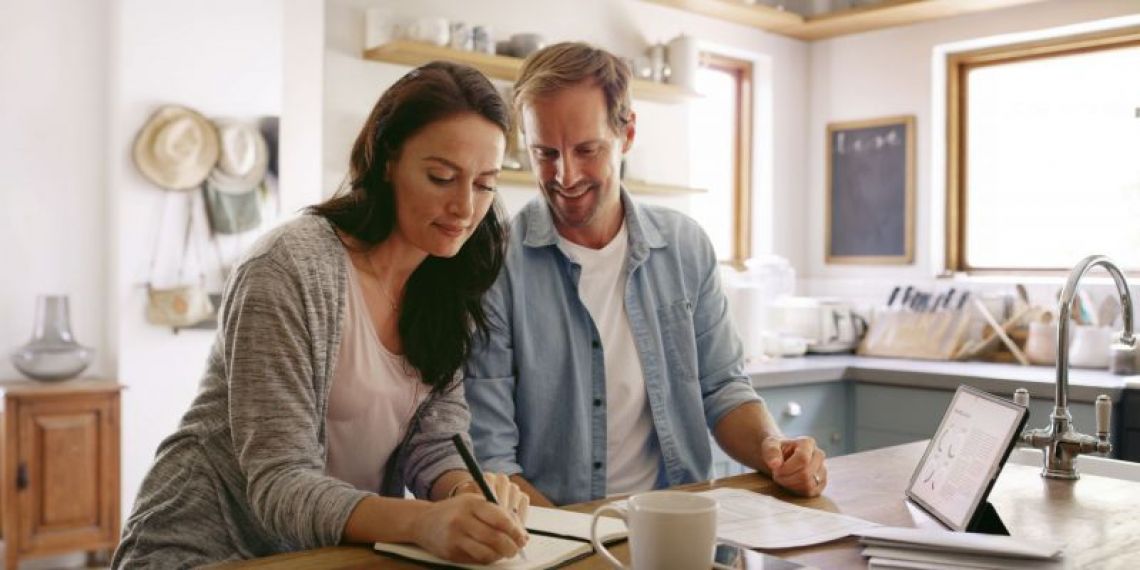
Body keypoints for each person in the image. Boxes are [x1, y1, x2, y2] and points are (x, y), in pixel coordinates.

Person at [114, 61, 531, 568]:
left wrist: (466, 493)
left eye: (485, 184)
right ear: (386, 161)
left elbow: (437, 437)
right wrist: (423, 522)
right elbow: (280, 481)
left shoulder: (447, 276)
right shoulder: (289, 268)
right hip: (201, 550)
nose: (466, 207)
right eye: (441, 177)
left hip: (322, 555)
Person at [463, 43, 828, 507]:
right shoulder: (494, 265)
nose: (565, 175)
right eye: (545, 153)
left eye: (586, 150)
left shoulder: (686, 246)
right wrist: (579, 543)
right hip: (558, 533)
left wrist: (775, 451)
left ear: (627, 132)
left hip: (679, 520)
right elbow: (492, 456)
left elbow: (723, 388)